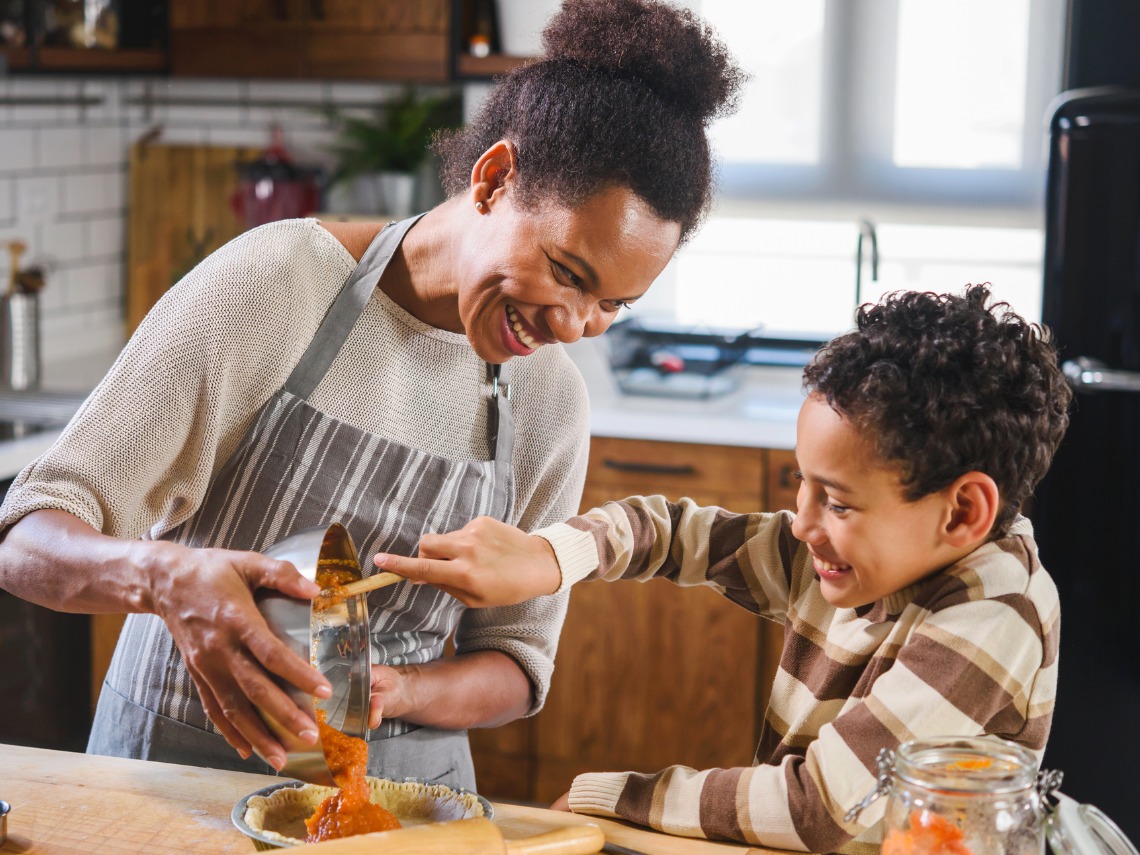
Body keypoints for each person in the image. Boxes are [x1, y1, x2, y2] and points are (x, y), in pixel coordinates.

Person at [0, 0, 743, 788]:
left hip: (406, 803)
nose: (574, 323)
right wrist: (164, 577)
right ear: (494, 178)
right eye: (566, 271)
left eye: (612, 305)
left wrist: (406, 689)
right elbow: (25, 539)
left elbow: (518, 663)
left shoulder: (551, 403)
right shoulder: (278, 284)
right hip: (176, 779)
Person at [376, 285, 1073, 852]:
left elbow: (817, 807)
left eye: (836, 500)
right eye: (803, 485)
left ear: (963, 511)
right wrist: (551, 557)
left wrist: (617, 795)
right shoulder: (856, 556)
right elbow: (673, 532)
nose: (802, 522)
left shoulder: (993, 609)